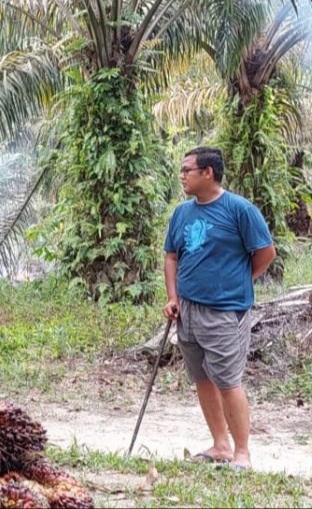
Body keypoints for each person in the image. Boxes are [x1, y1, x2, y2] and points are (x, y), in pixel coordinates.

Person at [163, 147, 275, 470]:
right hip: (189, 311)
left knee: (228, 380)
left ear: (208, 173)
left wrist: (240, 279)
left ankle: (242, 452)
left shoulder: (239, 210)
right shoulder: (182, 213)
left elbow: (266, 253)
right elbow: (171, 256)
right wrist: (173, 297)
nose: (182, 175)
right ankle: (220, 445)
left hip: (226, 311)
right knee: (202, 378)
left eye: (188, 170)